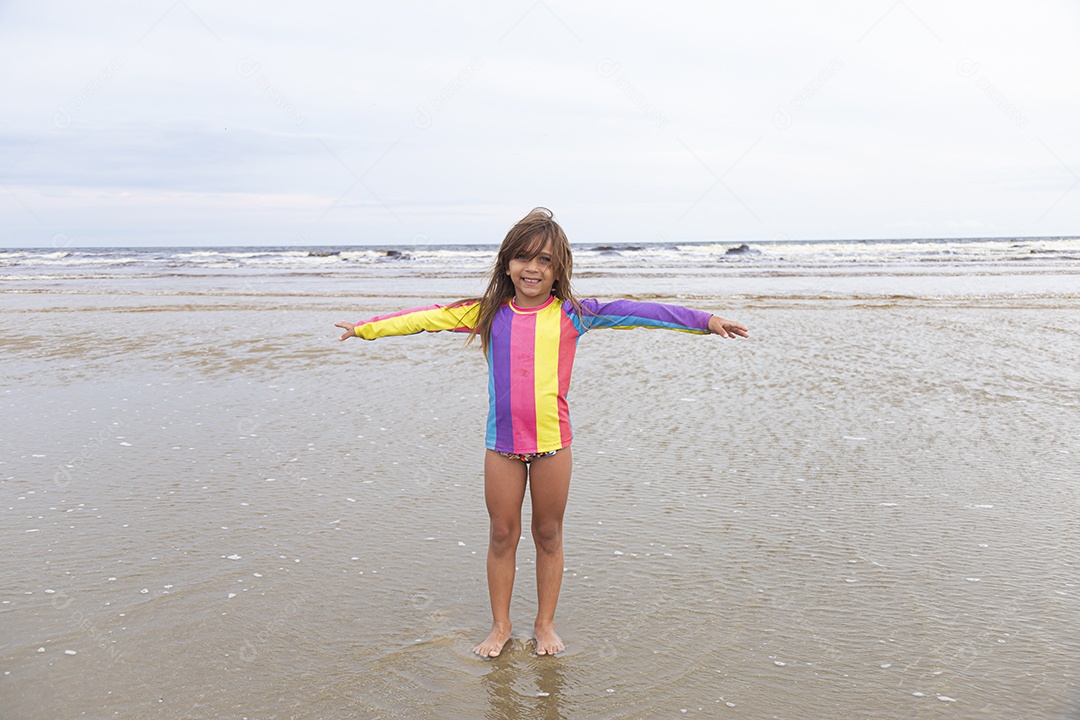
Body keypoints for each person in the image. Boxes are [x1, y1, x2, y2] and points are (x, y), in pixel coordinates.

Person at [335, 208, 748, 658]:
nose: (532, 268)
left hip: (553, 446)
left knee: (548, 534)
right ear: (507, 263)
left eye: (545, 261)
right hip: (503, 447)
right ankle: (500, 626)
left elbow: (640, 311)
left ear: (559, 269)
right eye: (523, 258)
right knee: (501, 535)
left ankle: (545, 625)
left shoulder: (576, 314)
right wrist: (365, 329)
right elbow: (423, 318)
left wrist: (705, 321)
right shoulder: (485, 313)